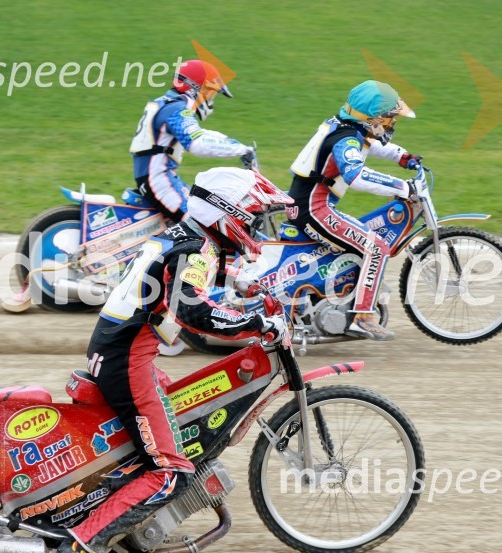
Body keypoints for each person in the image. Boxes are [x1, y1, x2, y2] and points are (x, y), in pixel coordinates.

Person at [58, 168, 292, 553]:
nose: (258, 226)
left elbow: (184, 274)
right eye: (253, 216)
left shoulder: (185, 237)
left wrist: (239, 281)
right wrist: (256, 322)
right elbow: (193, 311)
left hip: (119, 351)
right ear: (228, 213)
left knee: (183, 414)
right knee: (172, 472)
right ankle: (82, 543)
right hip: (127, 361)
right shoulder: (196, 248)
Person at [286, 80, 421, 341]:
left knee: (364, 236)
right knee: (376, 246)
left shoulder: (350, 129)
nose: (392, 124)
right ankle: (362, 317)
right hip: (314, 211)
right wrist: (401, 186)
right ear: (371, 119)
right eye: (388, 119)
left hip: (311, 206)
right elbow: (356, 175)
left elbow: (374, 147)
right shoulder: (346, 138)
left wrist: (403, 157)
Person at [130, 59, 255, 223]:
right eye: (211, 93)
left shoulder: (169, 103)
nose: (211, 100)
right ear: (196, 88)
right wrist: (241, 151)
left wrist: (239, 146)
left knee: (208, 214)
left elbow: (200, 134)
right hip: (158, 179)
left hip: (158, 176)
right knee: (201, 224)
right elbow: (197, 143)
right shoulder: (176, 109)